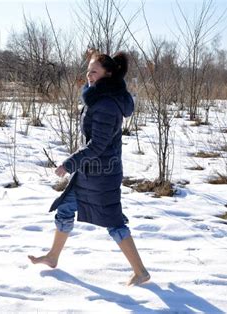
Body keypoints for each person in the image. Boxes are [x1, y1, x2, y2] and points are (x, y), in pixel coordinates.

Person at [28, 51, 150, 286]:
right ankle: (53, 256)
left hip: (102, 174)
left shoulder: (106, 103)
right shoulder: (100, 97)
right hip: (93, 170)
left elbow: (98, 145)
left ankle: (141, 271)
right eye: (88, 71)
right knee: (65, 208)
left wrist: (69, 163)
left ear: (109, 74)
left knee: (114, 222)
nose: (89, 76)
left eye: (94, 72)